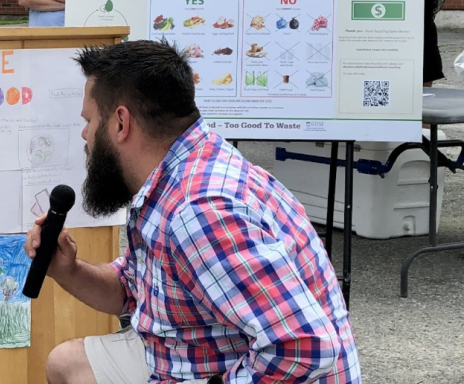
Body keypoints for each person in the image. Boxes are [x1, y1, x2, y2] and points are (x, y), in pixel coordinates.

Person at [26, 40, 361, 384]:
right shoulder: (178, 172)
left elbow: (303, 347)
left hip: (276, 371)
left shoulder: (199, 209)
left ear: (121, 123)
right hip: (209, 351)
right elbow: (135, 291)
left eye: (89, 119)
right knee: (67, 364)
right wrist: (69, 270)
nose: (85, 134)